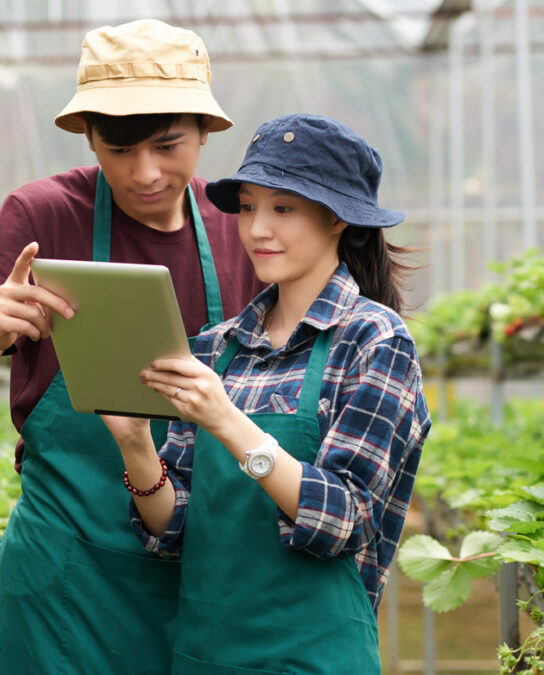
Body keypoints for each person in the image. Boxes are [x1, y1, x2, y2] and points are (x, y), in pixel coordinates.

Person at [0, 18, 265, 674]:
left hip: (201, 571)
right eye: (118, 148)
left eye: (168, 146)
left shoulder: (239, 230)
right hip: (63, 583)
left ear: (204, 130)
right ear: (87, 136)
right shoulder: (43, 215)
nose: (144, 172)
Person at [100, 113, 432, 673]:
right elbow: (174, 528)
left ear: (337, 220)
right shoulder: (215, 348)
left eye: (283, 208)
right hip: (204, 655)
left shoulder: (374, 341)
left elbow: (342, 520)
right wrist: (136, 444)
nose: (256, 229)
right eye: (249, 206)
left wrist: (226, 420)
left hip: (314, 656)